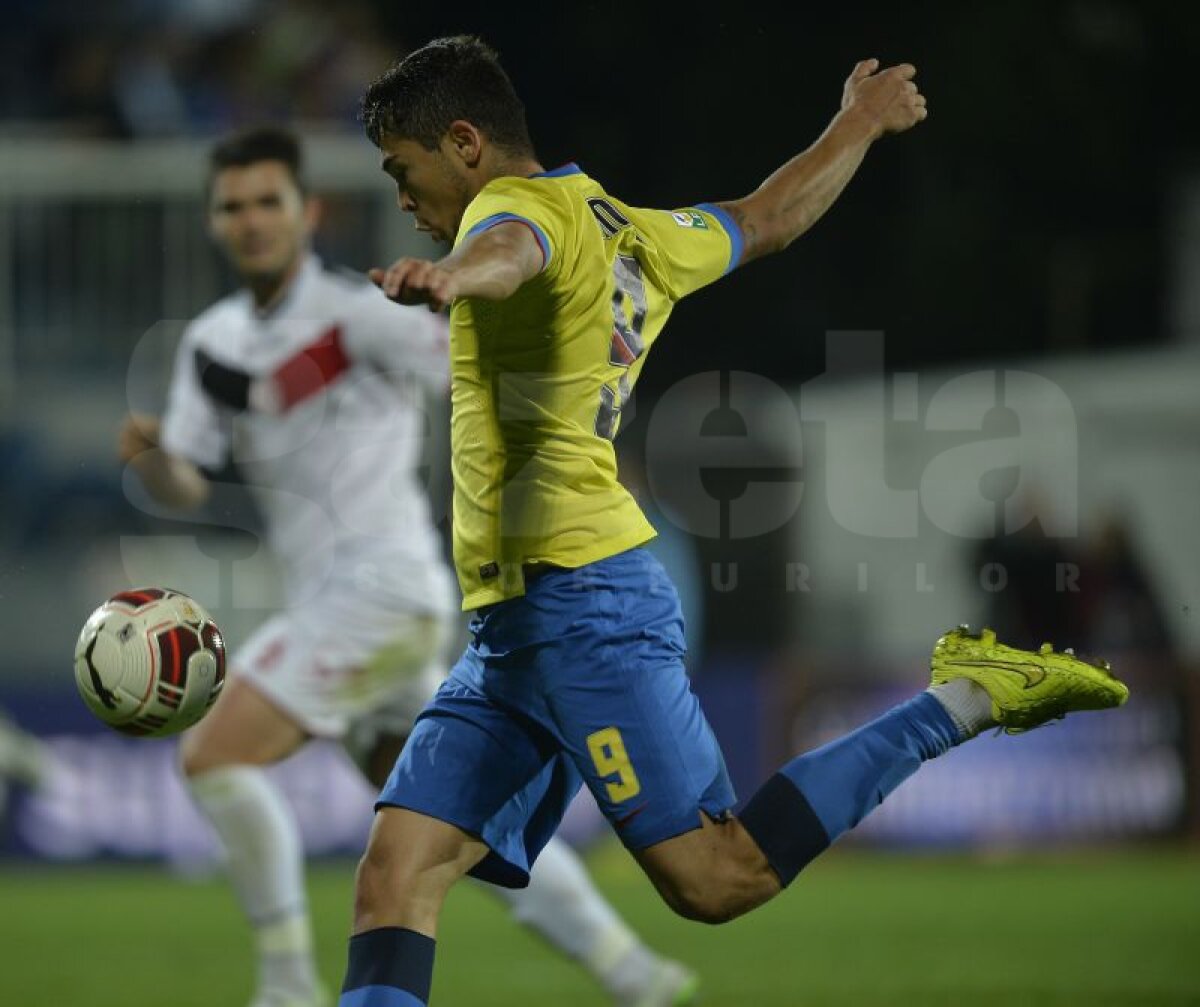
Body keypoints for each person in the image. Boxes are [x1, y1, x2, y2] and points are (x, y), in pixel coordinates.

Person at [339, 36, 1130, 1007]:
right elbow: (767, 218)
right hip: (512, 627)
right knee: (395, 873)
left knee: (720, 877)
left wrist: (454, 278)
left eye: (402, 169)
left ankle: (965, 695)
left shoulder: (508, 214)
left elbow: (511, 253)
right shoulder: (634, 229)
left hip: (588, 606)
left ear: (464, 142)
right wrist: (859, 123)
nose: (405, 198)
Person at [118, 126, 700, 1007]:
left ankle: (283, 986)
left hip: (382, 587)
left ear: (303, 211)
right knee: (449, 824)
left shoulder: (359, 313)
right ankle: (636, 973)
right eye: (232, 207)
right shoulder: (211, 342)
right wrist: (152, 459)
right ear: (213, 221)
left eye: (267, 201)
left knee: (212, 756)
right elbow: (188, 482)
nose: (251, 221)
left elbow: (476, 370)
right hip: (342, 602)